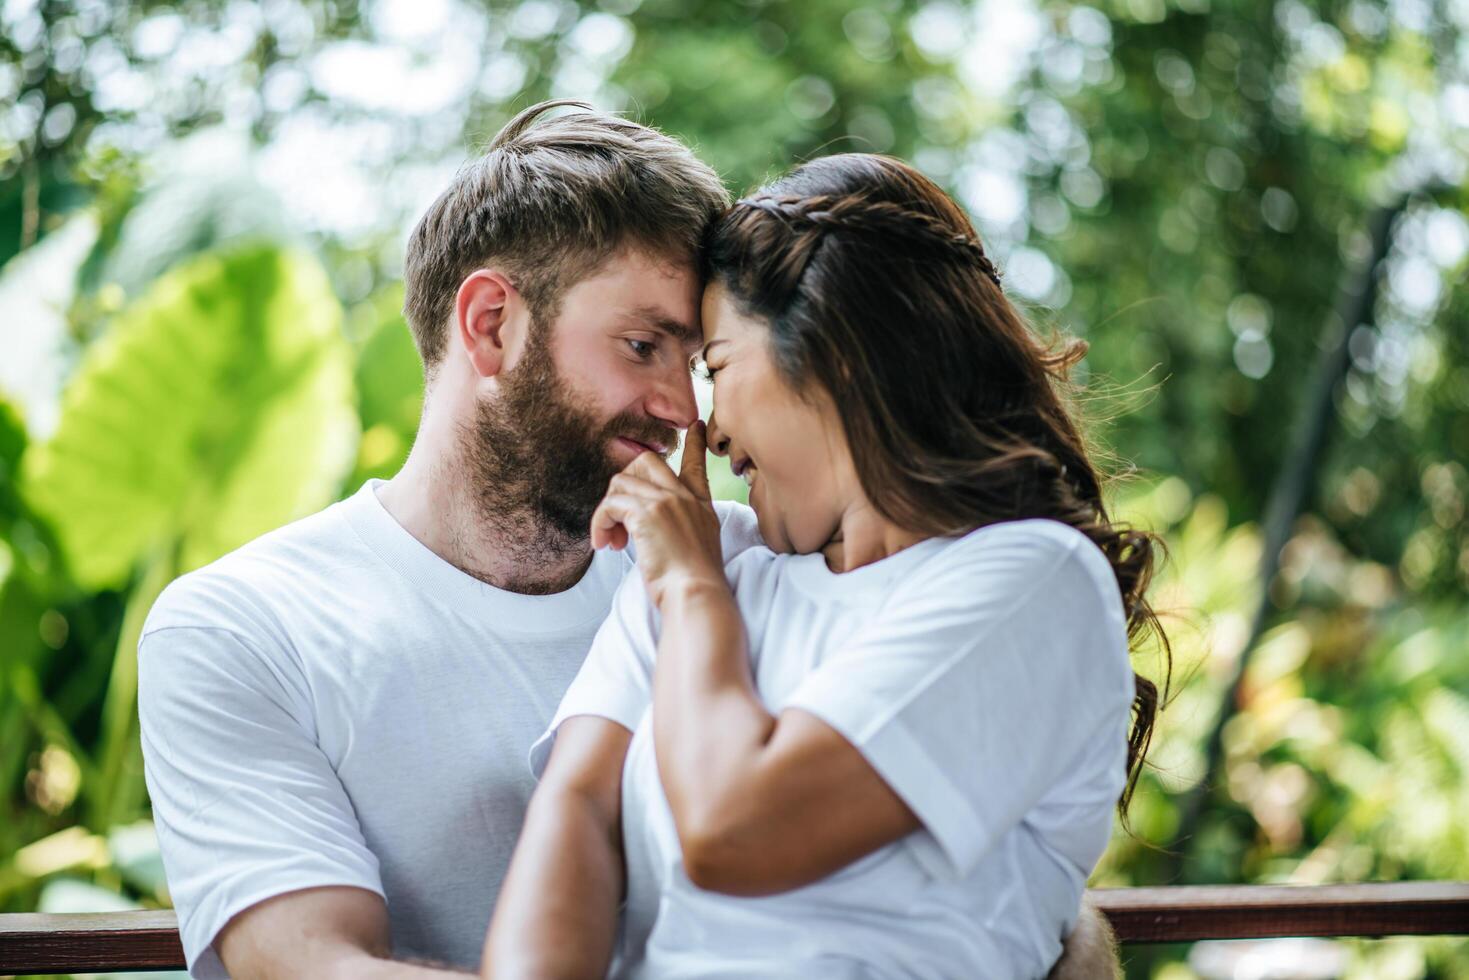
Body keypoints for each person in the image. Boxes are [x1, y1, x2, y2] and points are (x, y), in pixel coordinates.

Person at [483, 153, 1167, 979]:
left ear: (837, 353)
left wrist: (692, 593)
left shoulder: (1031, 582)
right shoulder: (718, 550)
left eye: (718, 368)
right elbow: (579, 813)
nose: (705, 428)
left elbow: (738, 831)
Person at [136, 100, 763, 979]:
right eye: (641, 344)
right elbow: (311, 964)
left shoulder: (742, 565)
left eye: (692, 361)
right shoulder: (244, 627)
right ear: (490, 324)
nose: (682, 408)